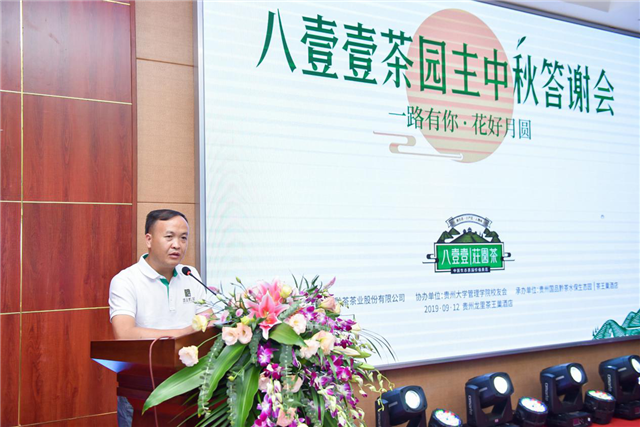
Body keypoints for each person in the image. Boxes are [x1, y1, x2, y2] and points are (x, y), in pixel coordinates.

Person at [108, 209, 213, 426]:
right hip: (143, 387)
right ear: (149, 239)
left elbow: (208, 321)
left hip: (189, 383)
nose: (177, 245)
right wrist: (182, 334)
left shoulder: (190, 274)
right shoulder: (126, 280)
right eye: (169, 237)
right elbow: (124, 333)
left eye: (183, 238)